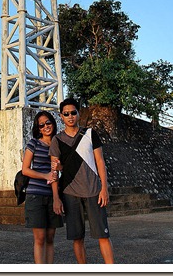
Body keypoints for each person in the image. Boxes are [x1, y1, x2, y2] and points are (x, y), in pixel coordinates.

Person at [49, 98, 115, 264]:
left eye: (73, 112)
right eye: (66, 114)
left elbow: (100, 162)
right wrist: (56, 198)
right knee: (77, 238)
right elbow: (54, 171)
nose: (70, 116)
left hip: (94, 191)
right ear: (61, 116)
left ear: (79, 114)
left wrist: (104, 188)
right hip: (70, 193)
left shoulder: (90, 134)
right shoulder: (57, 140)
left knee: (103, 235)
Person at [22, 111, 64, 263]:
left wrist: (57, 198)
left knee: (50, 237)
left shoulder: (58, 144)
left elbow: (61, 169)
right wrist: (45, 176)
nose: (46, 126)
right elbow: (25, 169)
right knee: (40, 238)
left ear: (53, 123)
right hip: (35, 195)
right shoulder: (33, 143)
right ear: (38, 128)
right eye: (41, 125)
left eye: (48, 123)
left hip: (52, 195)